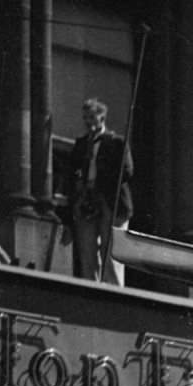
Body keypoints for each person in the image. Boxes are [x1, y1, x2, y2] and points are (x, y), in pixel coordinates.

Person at [60, 97, 134, 282]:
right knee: (87, 251)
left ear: (102, 118)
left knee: (111, 253)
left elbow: (127, 171)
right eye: (85, 118)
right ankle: (91, 294)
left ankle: (116, 295)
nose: (88, 122)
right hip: (86, 201)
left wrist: (101, 183)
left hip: (110, 202)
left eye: (92, 117)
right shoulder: (81, 144)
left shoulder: (117, 142)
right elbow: (70, 174)